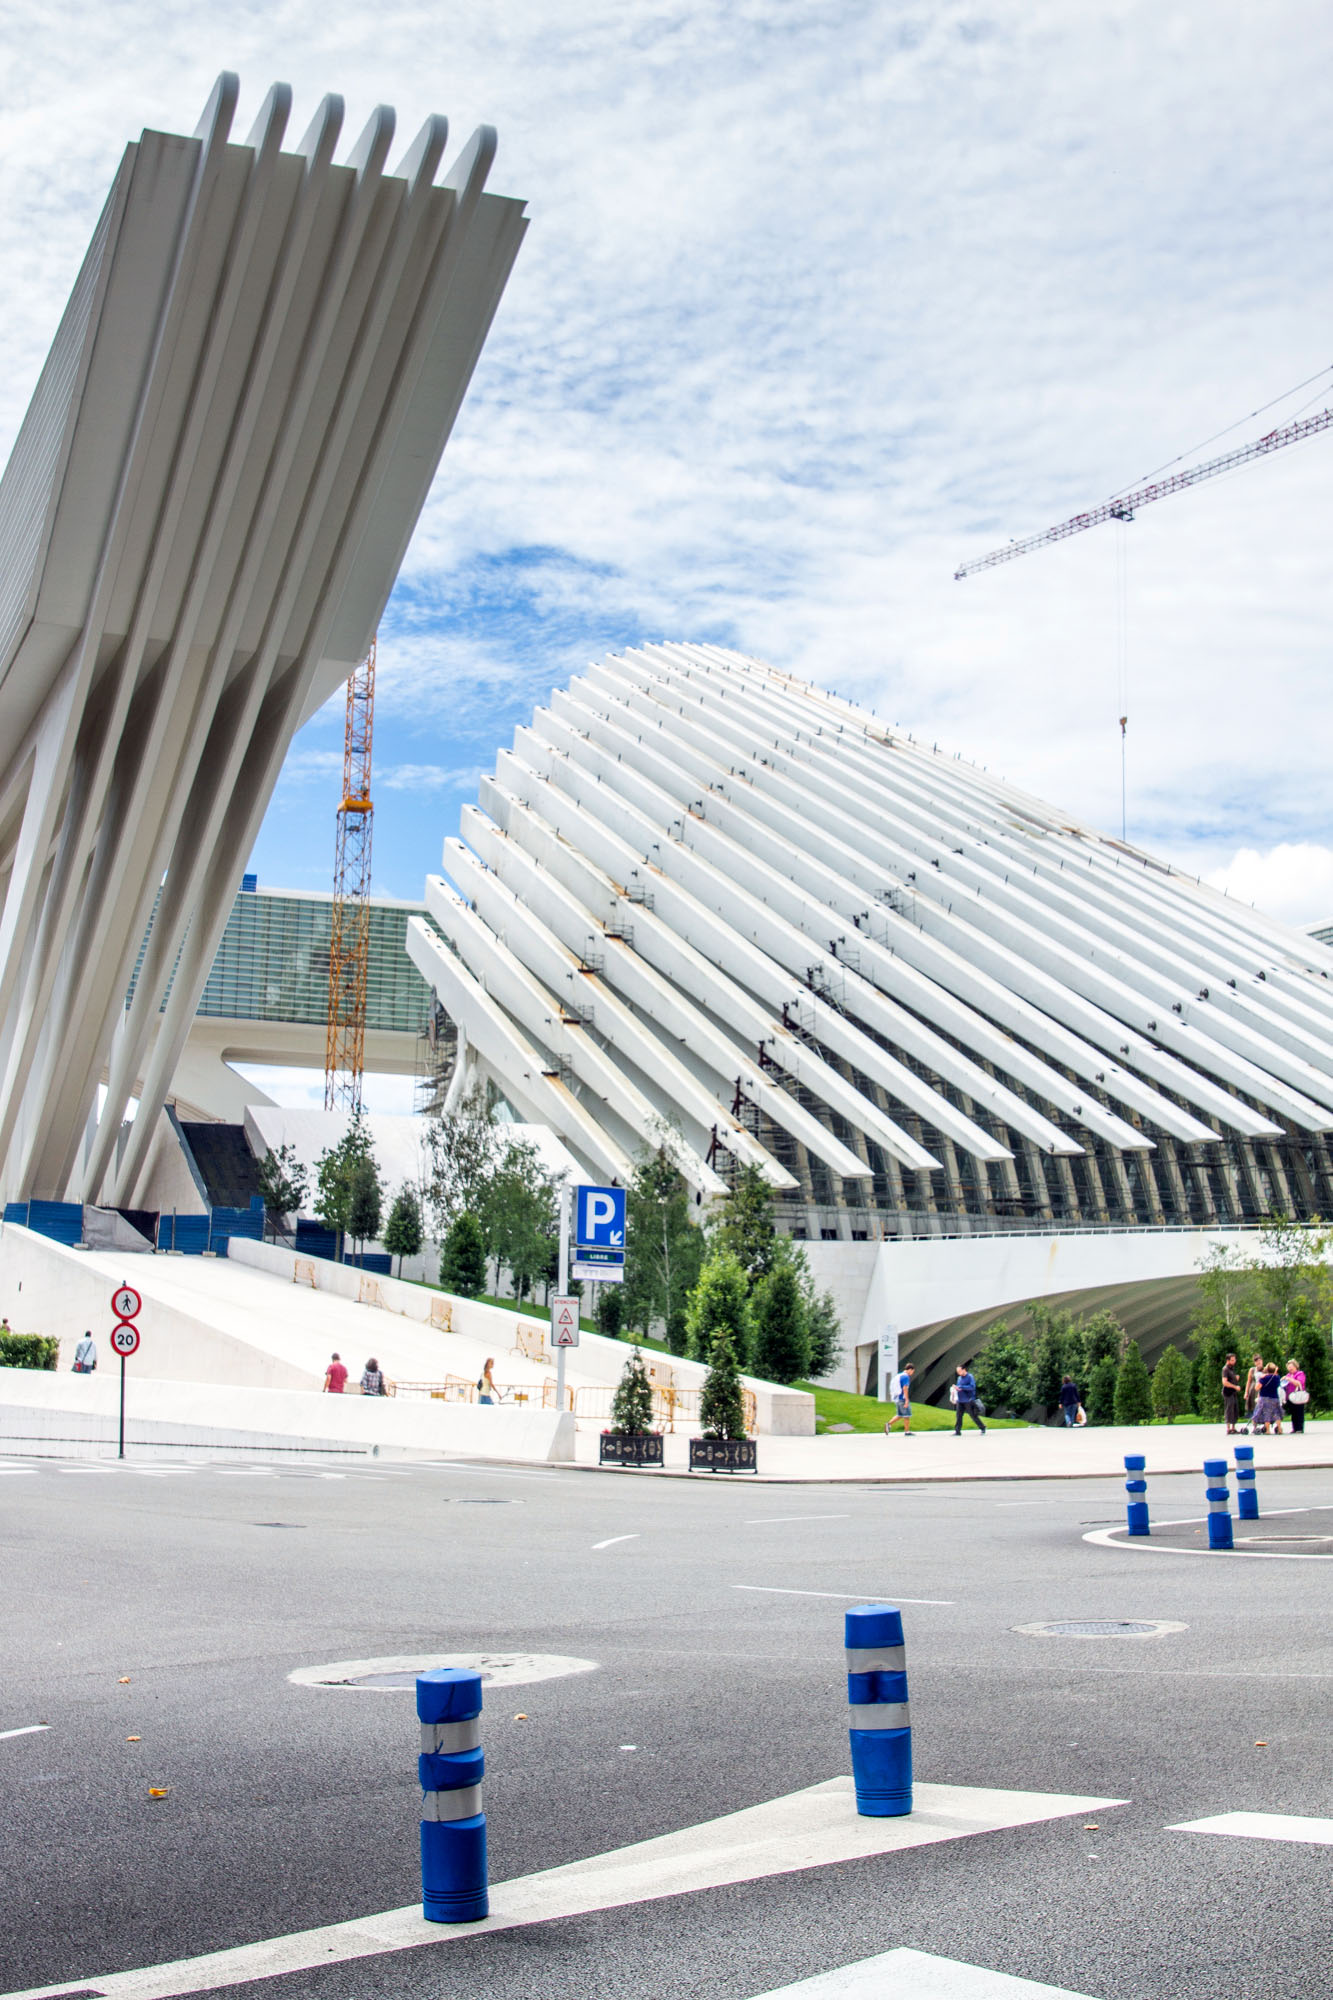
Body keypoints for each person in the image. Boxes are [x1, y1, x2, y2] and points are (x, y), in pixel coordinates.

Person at [953, 1362, 986, 1435]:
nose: (958, 1373)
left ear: (964, 1369)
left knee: (973, 1415)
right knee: (958, 1416)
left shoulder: (970, 1377)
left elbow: (972, 1387)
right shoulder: (959, 1378)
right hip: (960, 1400)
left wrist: (962, 1387)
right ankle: (957, 1431)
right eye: (957, 1372)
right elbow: (959, 1387)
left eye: (959, 1371)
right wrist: (956, 1389)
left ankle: (982, 1427)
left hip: (968, 1400)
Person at [1252, 1359, 1283, 1435]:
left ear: (1267, 1369)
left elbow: (1257, 1387)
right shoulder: (1277, 1377)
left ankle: (1268, 1430)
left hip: (1265, 1398)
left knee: (1267, 1413)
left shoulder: (1264, 1378)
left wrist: (1260, 1379)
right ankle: (1279, 1429)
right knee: (1276, 1413)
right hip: (1275, 1397)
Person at [885, 1362, 915, 1436]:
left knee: (900, 1414)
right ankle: (907, 1431)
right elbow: (905, 1388)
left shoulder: (899, 1375)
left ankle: (888, 1424)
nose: (912, 1373)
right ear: (910, 1369)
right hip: (902, 1398)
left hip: (897, 1398)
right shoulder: (905, 1377)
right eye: (912, 1371)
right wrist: (907, 1400)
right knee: (907, 1415)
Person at [1281, 1356, 1309, 1435]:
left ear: (1295, 1366)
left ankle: (1299, 1428)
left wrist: (1289, 1379)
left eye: (1291, 1367)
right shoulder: (1288, 1375)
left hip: (1298, 1396)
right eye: (1288, 1367)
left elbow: (1299, 1383)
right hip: (1290, 1397)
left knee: (1299, 1412)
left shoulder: (1300, 1374)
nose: (1290, 1369)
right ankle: (1294, 1428)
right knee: (1293, 1413)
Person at [1221, 1353, 1242, 1433]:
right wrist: (1235, 1387)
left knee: (1235, 1409)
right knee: (1229, 1409)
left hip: (1233, 1392)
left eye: (1234, 1360)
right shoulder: (1225, 1369)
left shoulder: (1232, 1369)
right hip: (1228, 1392)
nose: (1234, 1361)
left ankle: (1233, 1428)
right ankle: (1228, 1428)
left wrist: (1236, 1379)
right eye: (1232, 1360)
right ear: (1228, 1360)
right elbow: (1224, 1382)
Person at [1244, 1354, 1263, 1422]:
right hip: (1253, 1390)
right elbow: (1248, 1381)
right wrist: (1246, 1392)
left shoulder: (1265, 1369)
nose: (1258, 1362)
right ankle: (1254, 1425)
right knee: (1253, 1407)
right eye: (1256, 1361)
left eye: (1259, 1360)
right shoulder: (1252, 1370)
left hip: (1261, 1389)